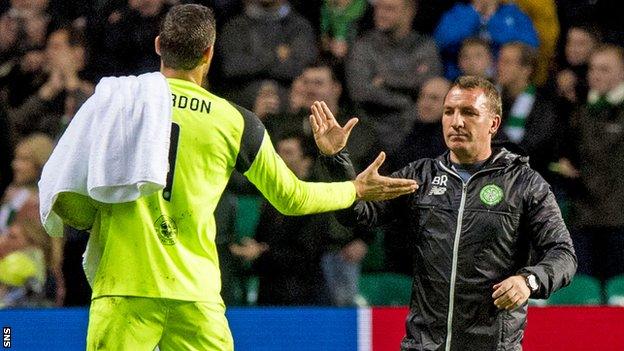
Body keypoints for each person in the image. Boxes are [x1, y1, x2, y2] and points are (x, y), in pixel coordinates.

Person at [45, 5, 417, 351]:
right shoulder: (234, 121)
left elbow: (66, 190)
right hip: (196, 294)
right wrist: (353, 189)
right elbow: (292, 198)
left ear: (159, 46)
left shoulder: (116, 103)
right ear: (209, 53)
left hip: (124, 287)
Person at [310, 75, 577, 350]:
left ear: (493, 124)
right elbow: (356, 216)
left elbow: (563, 253)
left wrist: (528, 280)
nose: (456, 121)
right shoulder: (419, 175)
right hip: (424, 344)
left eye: (469, 113)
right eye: (449, 111)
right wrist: (336, 160)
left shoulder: (524, 183)